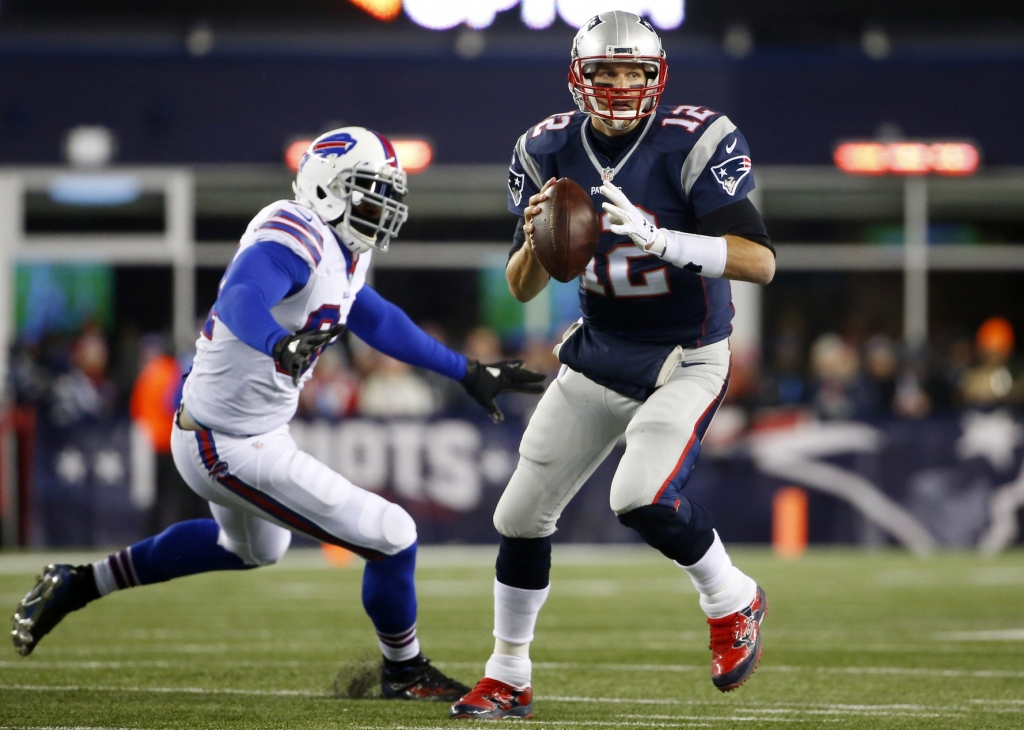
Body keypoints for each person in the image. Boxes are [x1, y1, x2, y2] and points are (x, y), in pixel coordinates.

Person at [11, 127, 545, 702]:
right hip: (225, 440)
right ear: (326, 188)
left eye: (387, 194)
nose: (382, 207)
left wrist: (465, 370)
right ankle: (404, 670)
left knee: (252, 549)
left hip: (245, 430)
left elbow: (376, 319)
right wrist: (276, 342)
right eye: (368, 192)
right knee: (394, 534)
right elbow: (239, 295)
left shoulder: (343, 251)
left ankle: (77, 583)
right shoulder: (295, 233)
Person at [450, 12, 776, 720]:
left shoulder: (694, 141)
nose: (621, 85)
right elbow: (521, 286)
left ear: (657, 79)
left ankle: (733, 599)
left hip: (684, 356)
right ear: (579, 77)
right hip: (598, 352)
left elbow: (760, 261)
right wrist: (539, 239)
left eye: (634, 72)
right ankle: (508, 673)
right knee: (520, 516)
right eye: (606, 72)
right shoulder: (547, 149)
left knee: (640, 498)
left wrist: (667, 239)